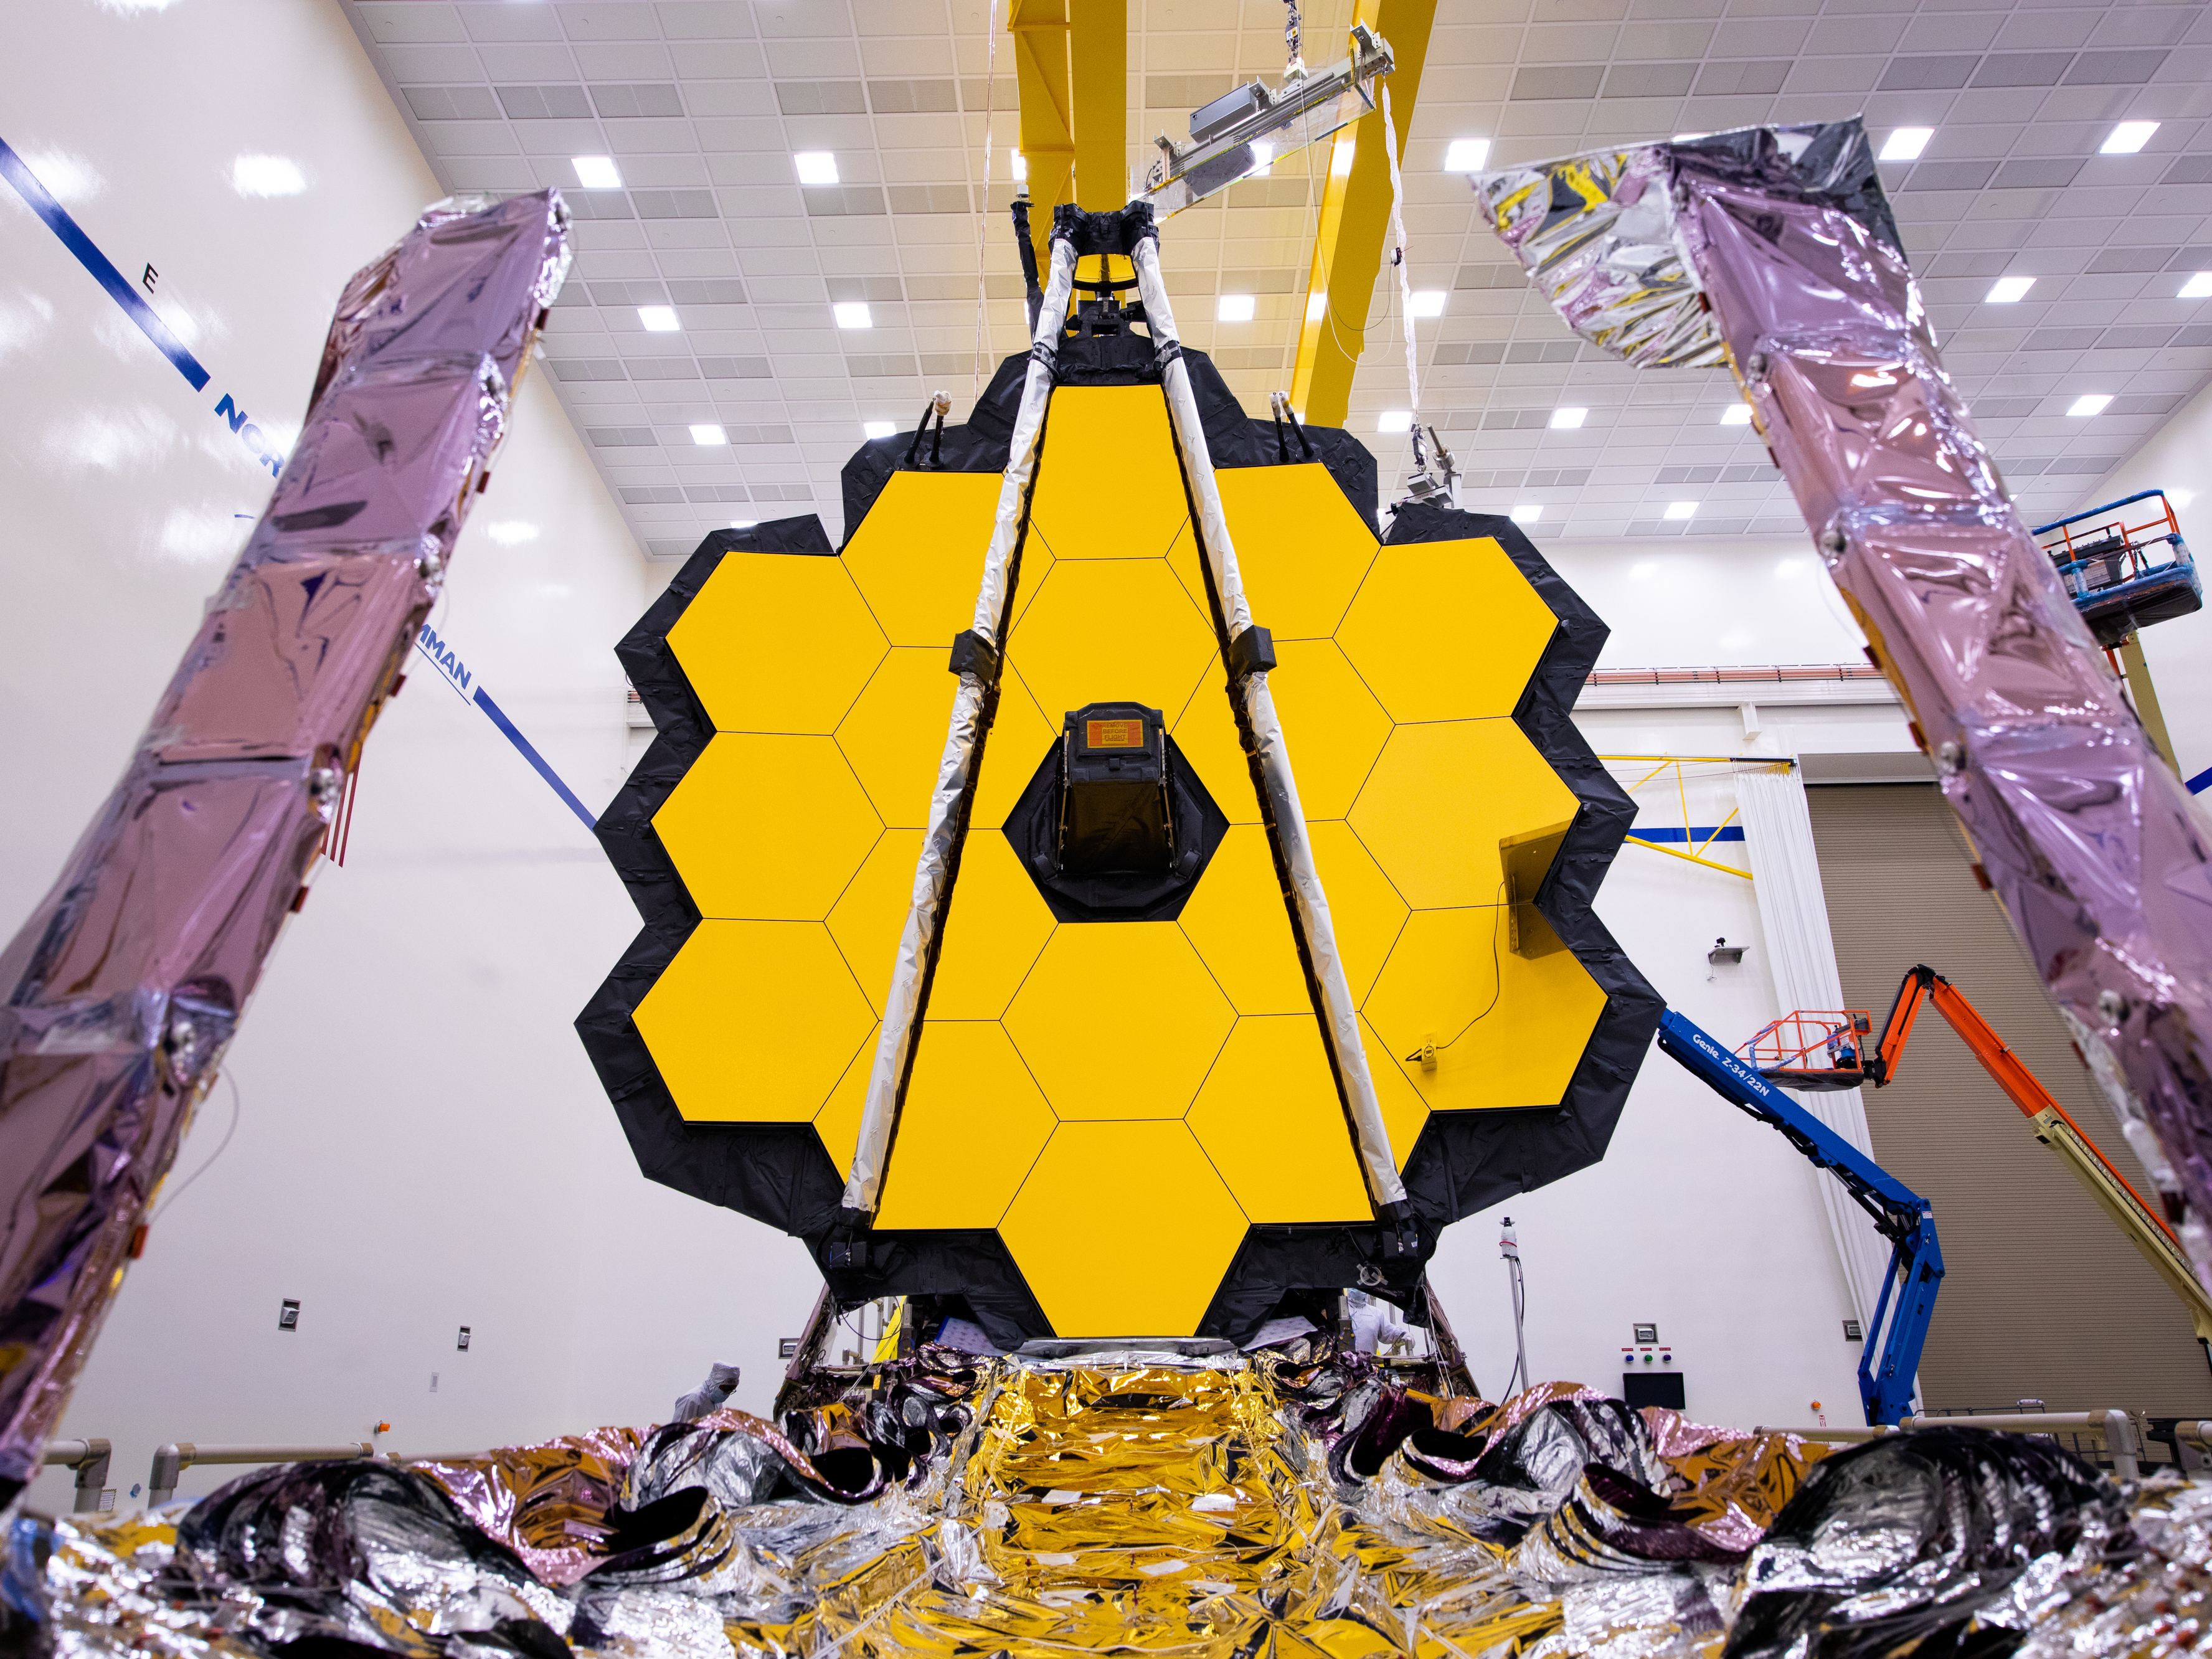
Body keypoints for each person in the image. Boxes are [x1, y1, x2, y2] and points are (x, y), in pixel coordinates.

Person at [1346, 1289, 1426, 1355]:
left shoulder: (1375, 1314)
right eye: (1355, 1287)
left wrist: (1404, 1335)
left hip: (1367, 1368)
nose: (1359, 1290)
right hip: (1343, 1367)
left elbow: (1390, 1331)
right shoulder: (1340, 1311)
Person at [671, 1361, 740, 1422]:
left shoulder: (717, 1401)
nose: (726, 1395)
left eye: (731, 1391)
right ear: (716, 1382)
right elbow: (677, 1431)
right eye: (726, 1390)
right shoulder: (692, 1399)